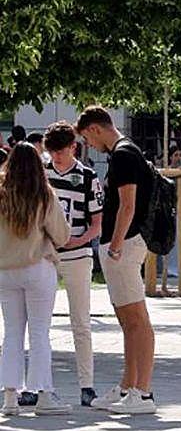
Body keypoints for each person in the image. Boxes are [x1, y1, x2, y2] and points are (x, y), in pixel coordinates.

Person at [75, 106, 157, 414]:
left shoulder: (123, 154)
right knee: (128, 322)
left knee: (137, 320)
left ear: (96, 129)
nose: (90, 146)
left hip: (122, 244)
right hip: (120, 244)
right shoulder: (125, 152)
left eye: (87, 139)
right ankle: (128, 386)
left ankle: (143, 393)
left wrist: (116, 245)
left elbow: (128, 206)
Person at [0, 142, 71, 416]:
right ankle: (43, 395)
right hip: (37, 267)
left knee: (12, 333)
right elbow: (62, 236)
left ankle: (9, 398)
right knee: (40, 332)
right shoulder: (44, 194)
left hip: (5, 270)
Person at [44, 123, 103, 406]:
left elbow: (97, 224)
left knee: (80, 321)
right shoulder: (42, 176)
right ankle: (40, 385)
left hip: (77, 256)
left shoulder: (89, 177)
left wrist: (78, 241)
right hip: (46, 255)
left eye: (60, 151)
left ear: (73, 147)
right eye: (51, 151)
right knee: (40, 322)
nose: (56, 157)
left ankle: (86, 384)